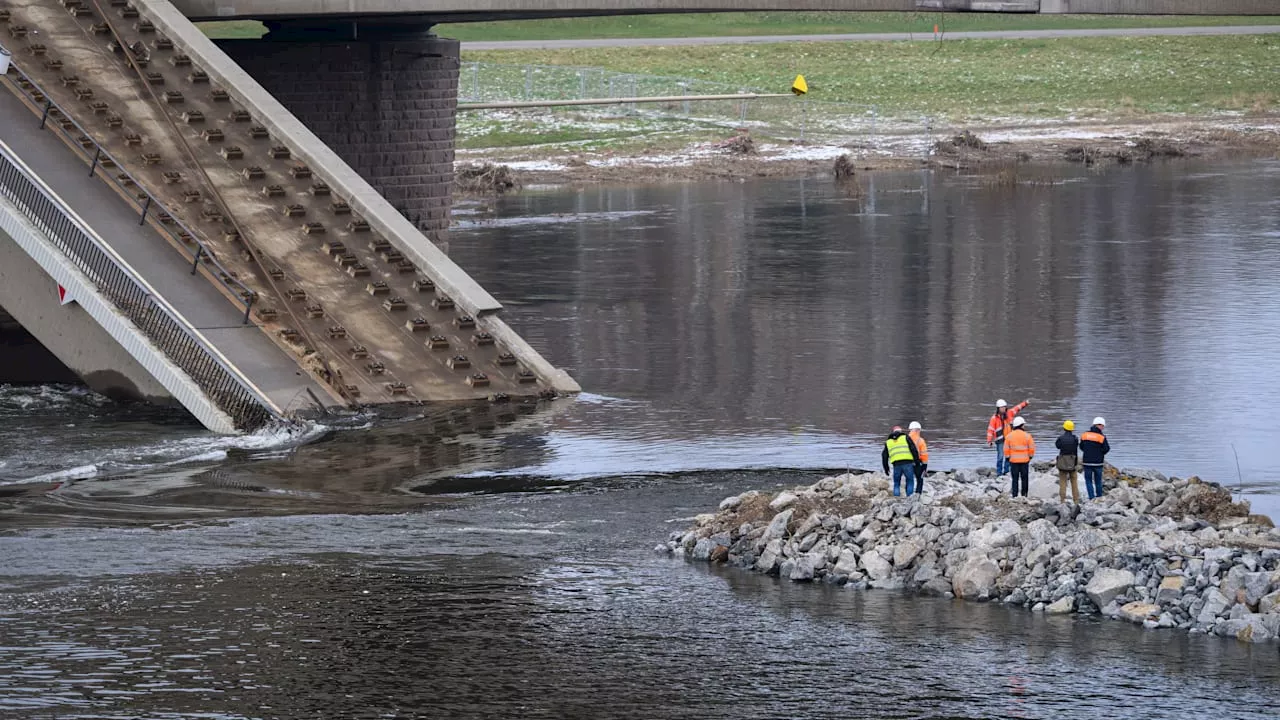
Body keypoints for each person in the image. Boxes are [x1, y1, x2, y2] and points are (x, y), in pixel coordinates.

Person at [986, 398, 1030, 476]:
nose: (1003, 409)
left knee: (1008, 456)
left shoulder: (1009, 413)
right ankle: (999, 473)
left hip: (1009, 440)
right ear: (998, 408)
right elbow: (991, 429)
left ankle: (1006, 471)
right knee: (1000, 457)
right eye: (1001, 407)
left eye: (1004, 407)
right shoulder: (994, 418)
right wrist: (989, 441)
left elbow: (1017, 408)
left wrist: (1025, 403)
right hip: (1000, 441)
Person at [881, 425, 921, 498]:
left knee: (896, 483)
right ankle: (909, 498)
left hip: (896, 464)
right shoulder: (905, 438)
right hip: (907, 463)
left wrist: (886, 468)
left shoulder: (888, 442)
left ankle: (896, 498)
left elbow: (884, 456)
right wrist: (917, 462)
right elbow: (913, 450)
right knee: (910, 481)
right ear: (901, 431)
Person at [1004, 415, 1035, 498]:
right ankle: (1024, 495)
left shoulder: (1009, 436)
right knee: (1025, 479)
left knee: (1015, 479)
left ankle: (1015, 495)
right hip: (1025, 461)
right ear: (1021, 425)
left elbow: (1006, 449)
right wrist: (1030, 457)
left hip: (1013, 461)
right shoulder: (1027, 436)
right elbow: (1032, 448)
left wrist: (1008, 458)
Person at [1080, 417, 1111, 500]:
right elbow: (1106, 448)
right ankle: (1099, 497)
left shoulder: (1085, 435)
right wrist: (1100, 453)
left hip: (1087, 462)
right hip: (1098, 462)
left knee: (1088, 480)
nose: (1103, 428)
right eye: (1103, 426)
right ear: (1099, 425)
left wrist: (1087, 452)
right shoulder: (1101, 437)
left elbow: (1081, 446)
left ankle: (1091, 498)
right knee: (1098, 481)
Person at [1054, 420, 1081, 503]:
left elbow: (1057, 446)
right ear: (1072, 429)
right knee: (1074, 481)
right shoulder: (1075, 439)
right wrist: (1076, 463)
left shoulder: (1061, 438)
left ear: (1064, 428)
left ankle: (1062, 500)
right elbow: (1076, 449)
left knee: (1063, 481)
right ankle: (1076, 500)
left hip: (1062, 461)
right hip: (1072, 462)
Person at [908, 421, 929, 495]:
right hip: (918, 463)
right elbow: (924, 454)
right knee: (920, 479)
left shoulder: (904, 439)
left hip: (907, 463)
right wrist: (925, 466)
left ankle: (908, 495)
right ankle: (918, 495)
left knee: (909, 479)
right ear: (917, 430)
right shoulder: (920, 440)